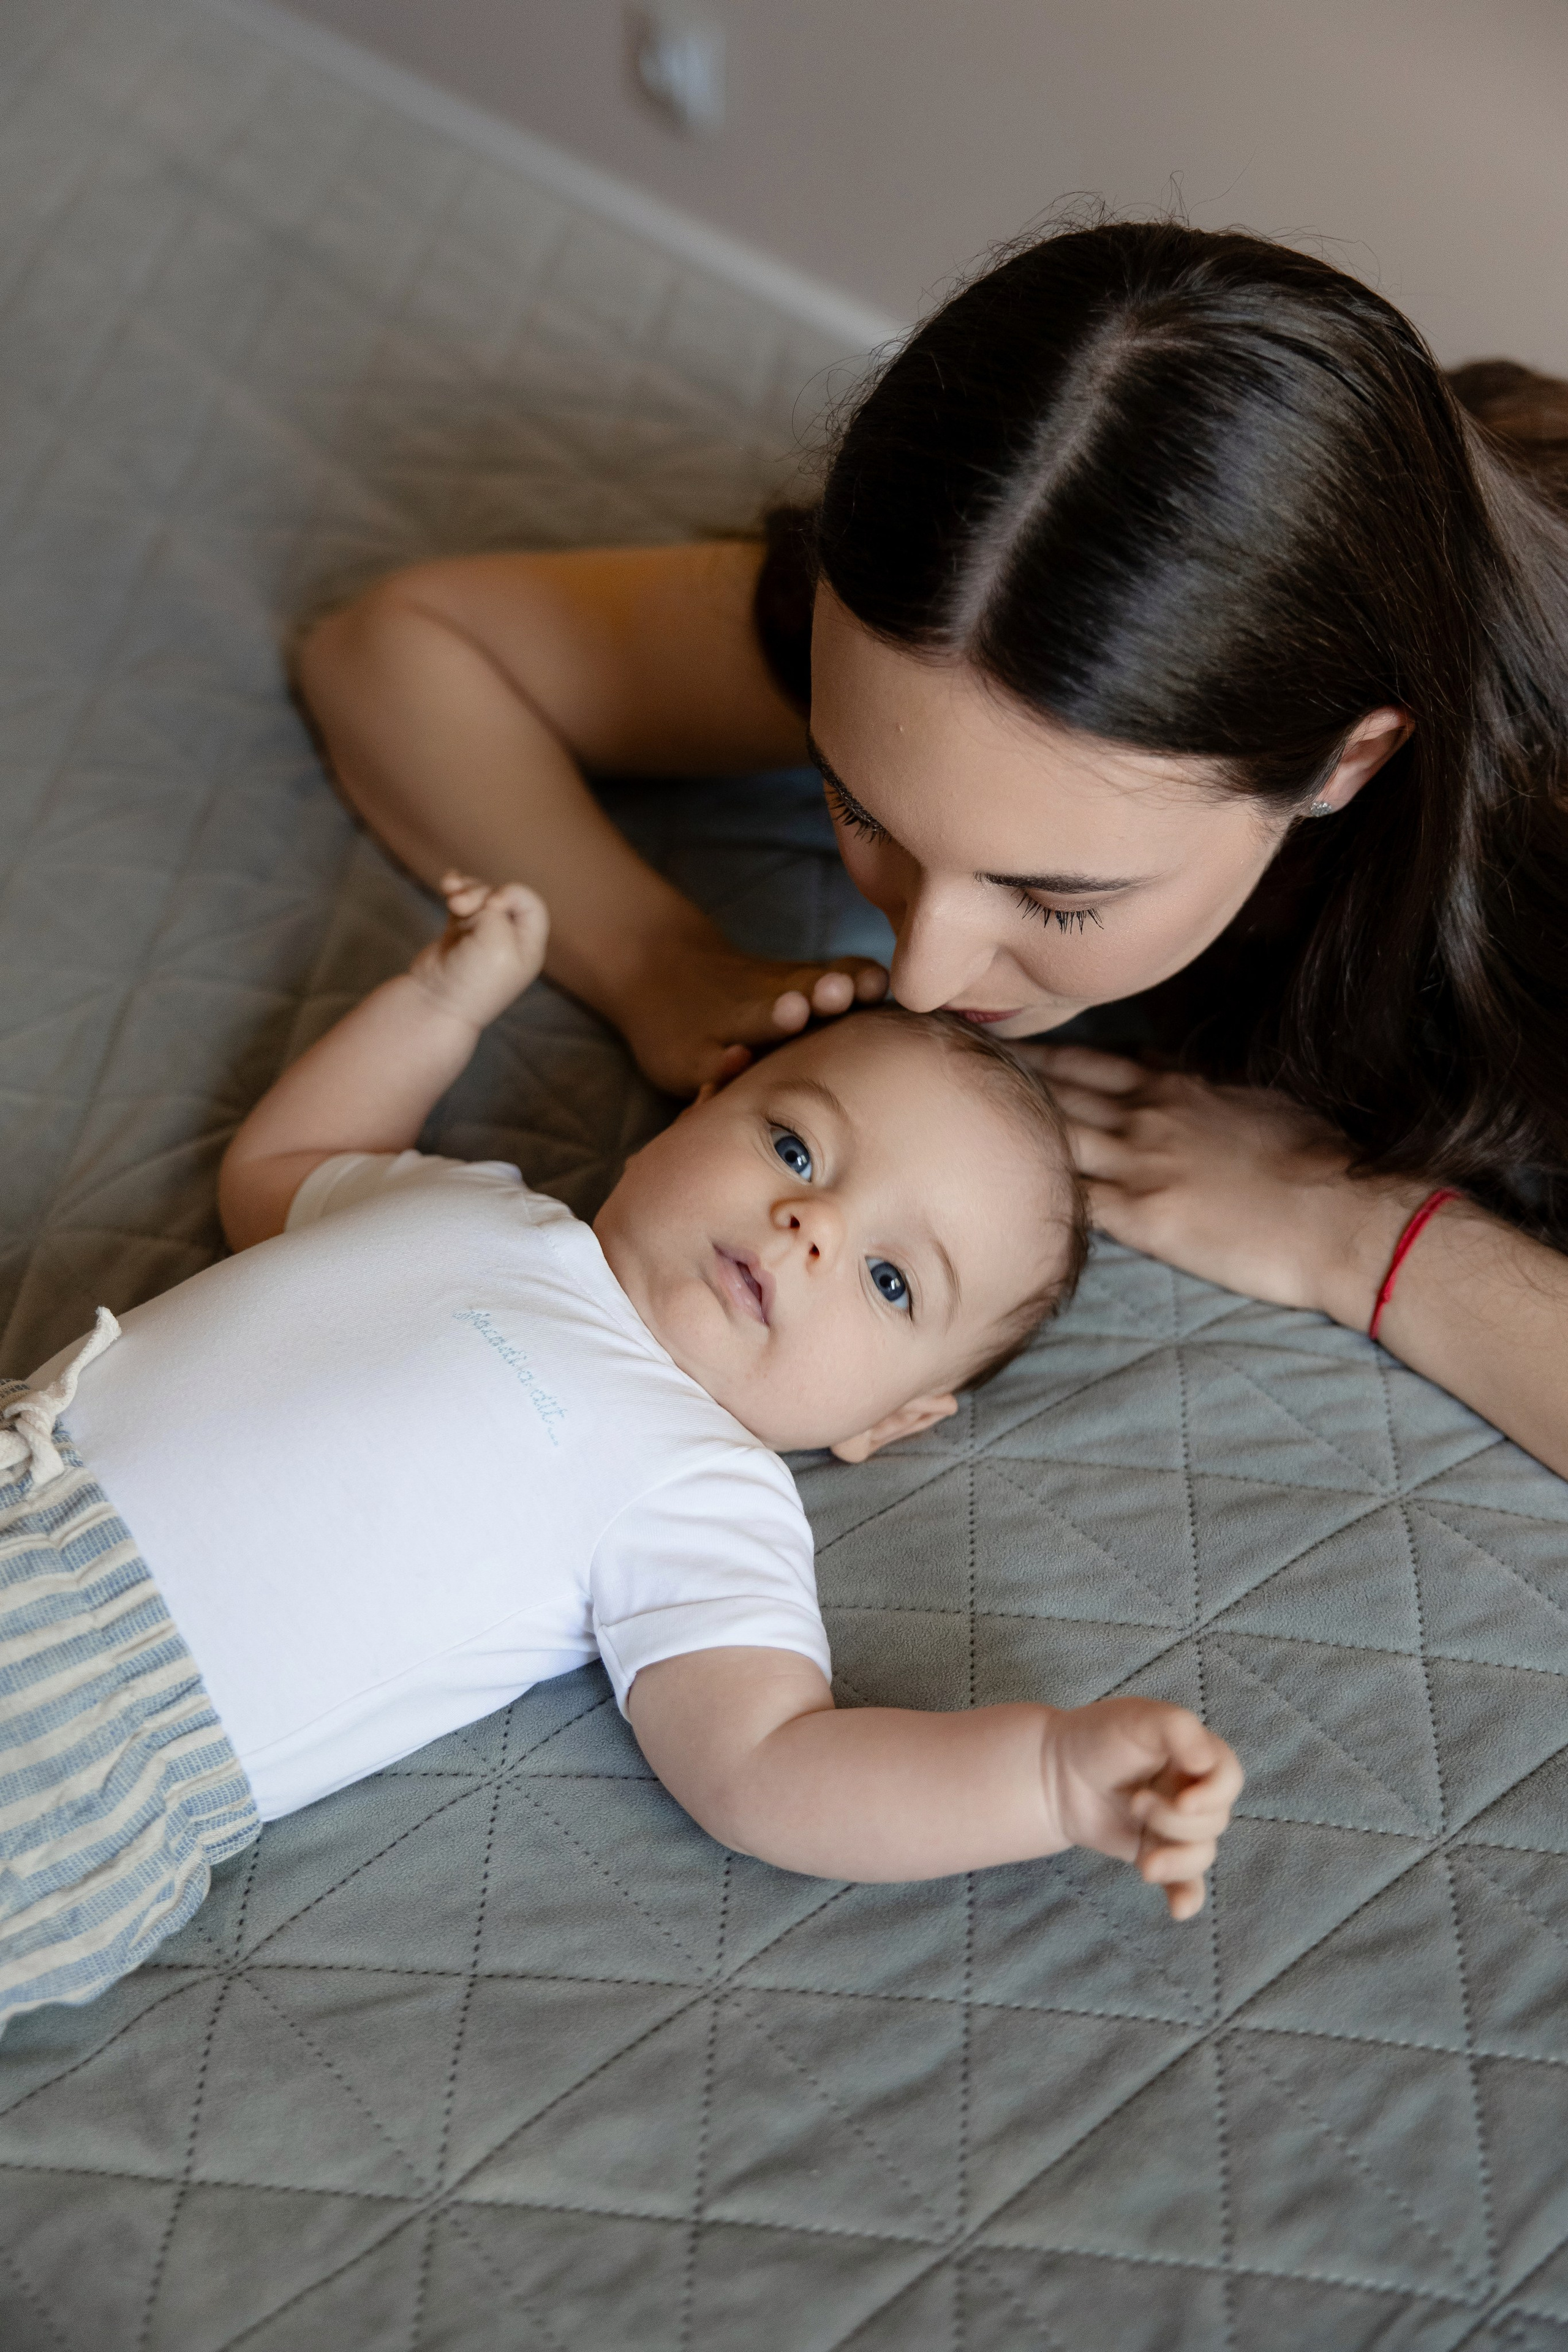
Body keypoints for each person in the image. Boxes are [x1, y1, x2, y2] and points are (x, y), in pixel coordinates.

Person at [296, 221, 1568, 1483]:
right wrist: (659, 964)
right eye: (859, 807)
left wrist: (1357, 1236)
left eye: (1053, 897)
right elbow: (398, 654)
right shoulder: (986, 581)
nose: (917, 975)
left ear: (1346, 763)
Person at [0, 876, 1242, 2029]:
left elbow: (769, 1769)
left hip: (72, 1726)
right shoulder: (474, 1207)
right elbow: (272, 1175)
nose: (807, 1223)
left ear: (890, 1421)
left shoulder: (700, 1485)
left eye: (884, 1279)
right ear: (697, 1110)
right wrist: (441, 1001)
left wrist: (1042, 1778)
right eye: (796, 1149)